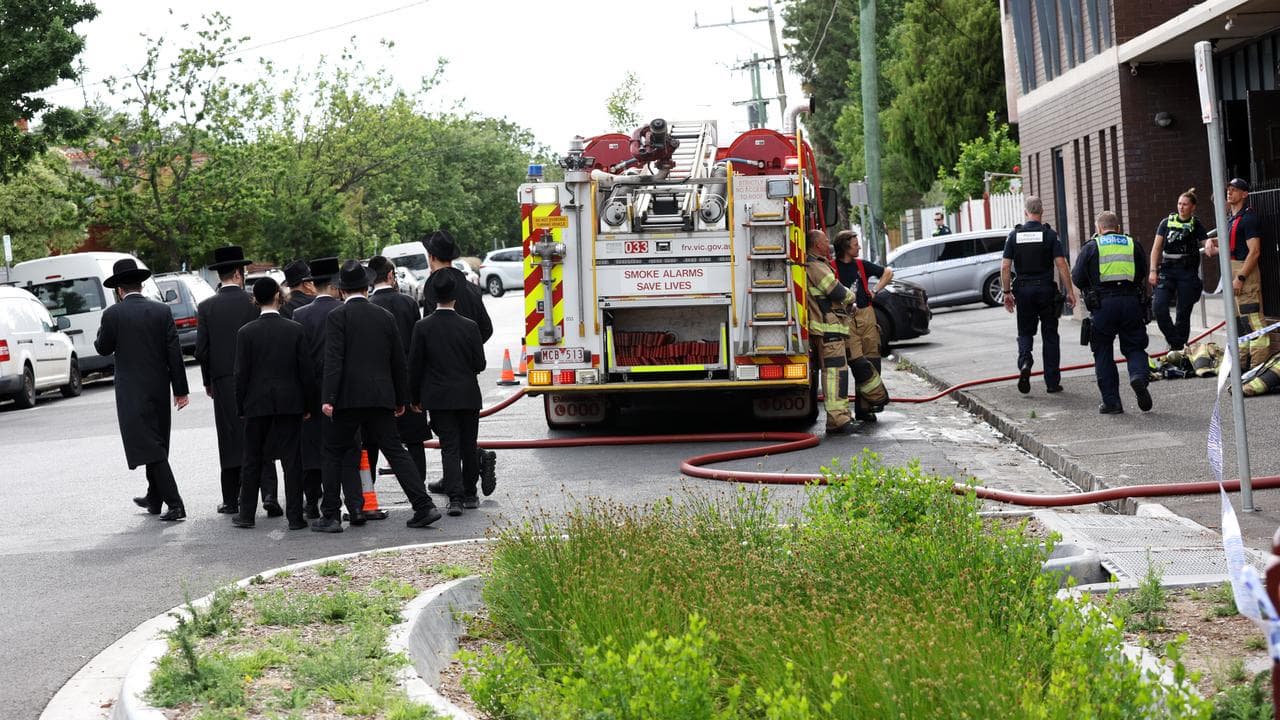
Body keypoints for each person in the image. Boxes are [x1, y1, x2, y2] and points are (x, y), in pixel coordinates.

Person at [317, 260, 441, 532]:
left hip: (348, 399)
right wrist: (401, 398)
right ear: (367, 285)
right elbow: (398, 360)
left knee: (334, 452)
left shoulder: (337, 317)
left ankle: (331, 515)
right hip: (380, 396)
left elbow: (334, 359)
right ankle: (423, 505)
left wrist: (329, 397)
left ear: (341, 290)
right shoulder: (384, 317)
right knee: (396, 451)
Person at [95, 258, 190, 521]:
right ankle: (154, 497)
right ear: (141, 284)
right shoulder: (161, 311)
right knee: (156, 441)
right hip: (159, 388)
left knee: (150, 446)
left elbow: (102, 347)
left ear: (119, 290)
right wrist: (180, 390)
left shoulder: (113, 314)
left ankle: (175, 503)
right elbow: (175, 353)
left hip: (131, 391)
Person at [195, 245, 279, 516]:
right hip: (256, 376)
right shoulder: (252, 303)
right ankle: (268, 493)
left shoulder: (206, 307)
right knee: (261, 434)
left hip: (223, 379)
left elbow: (202, 350)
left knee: (229, 438)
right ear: (239, 272)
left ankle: (231, 498)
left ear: (220, 274)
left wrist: (208, 381)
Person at [232, 277, 314, 529]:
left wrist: (241, 406)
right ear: (279, 296)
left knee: (252, 458)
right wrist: (308, 404)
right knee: (292, 460)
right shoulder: (295, 329)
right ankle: (295, 517)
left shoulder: (245, 333)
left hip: (256, 402)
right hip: (290, 401)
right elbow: (306, 371)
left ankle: (246, 513)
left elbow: (240, 374)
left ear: (255, 299)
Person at [421, 230, 498, 496]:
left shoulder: (432, 288)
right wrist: (470, 349)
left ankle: (461, 476)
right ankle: (467, 481)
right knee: (465, 433)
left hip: (439, 375)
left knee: (448, 435)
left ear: (432, 257)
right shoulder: (471, 288)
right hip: (467, 373)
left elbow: (427, 331)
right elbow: (486, 328)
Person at [409, 271, 487, 515]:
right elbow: (480, 364)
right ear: (455, 297)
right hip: (467, 394)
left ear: (433, 298)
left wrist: (415, 398)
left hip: (439, 397)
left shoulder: (422, 327)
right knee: (468, 444)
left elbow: (415, 365)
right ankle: (471, 493)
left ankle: (455, 498)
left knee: (449, 447)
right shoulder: (470, 326)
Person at [1072, 211, 1152, 414]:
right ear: (1118, 228)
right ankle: (1138, 377)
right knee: (1135, 347)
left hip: (1103, 305)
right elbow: (1143, 270)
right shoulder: (1132, 244)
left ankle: (1112, 403)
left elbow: (1078, 278)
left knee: (1103, 352)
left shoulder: (1091, 247)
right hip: (1131, 302)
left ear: (1098, 228)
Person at [366, 255, 431, 491]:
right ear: (391, 275)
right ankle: (418, 488)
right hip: (406, 378)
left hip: (376, 384)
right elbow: (418, 345)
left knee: (371, 442)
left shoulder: (368, 306)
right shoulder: (409, 303)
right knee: (413, 440)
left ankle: (367, 493)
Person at [1001, 196, 1077, 394]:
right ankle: (1052, 382)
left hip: (1023, 291)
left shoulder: (1014, 235)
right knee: (1050, 334)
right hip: (1045, 290)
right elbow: (1061, 264)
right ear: (1041, 212)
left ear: (1026, 212)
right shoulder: (1050, 235)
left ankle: (1025, 362)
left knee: (1025, 332)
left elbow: (1005, 266)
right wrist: (1070, 291)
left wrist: (1007, 292)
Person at [293, 257, 342, 518]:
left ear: (313, 283)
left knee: (310, 449)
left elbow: (298, 358)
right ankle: (345, 500)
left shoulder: (301, 315)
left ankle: (311, 501)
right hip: (341, 390)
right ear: (335, 283)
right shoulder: (343, 310)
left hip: (311, 390)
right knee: (339, 447)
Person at [1206, 177, 1272, 368]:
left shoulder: (1249, 218)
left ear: (1245, 194)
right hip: (1232, 271)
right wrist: (1212, 242)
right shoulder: (1232, 218)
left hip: (1244, 273)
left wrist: (1241, 277)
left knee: (1252, 321)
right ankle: (1240, 367)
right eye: (1228, 189)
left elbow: (1255, 251)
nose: (1229, 192)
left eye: (1234, 189)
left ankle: (1257, 368)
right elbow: (1229, 241)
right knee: (1238, 323)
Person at [832, 230, 890, 422]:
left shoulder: (861, 265)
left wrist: (874, 291)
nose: (859, 247)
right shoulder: (831, 268)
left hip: (867, 316)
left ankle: (866, 408)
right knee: (858, 363)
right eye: (856, 245)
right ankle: (871, 400)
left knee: (872, 360)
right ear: (845, 247)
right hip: (846, 319)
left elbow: (887, 273)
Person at [805, 229, 857, 435]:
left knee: (835, 374)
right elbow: (835, 291)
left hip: (827, 330)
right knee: (835, 374)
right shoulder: (816, 266)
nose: (830, 244)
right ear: (817, 245)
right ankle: (838, 419)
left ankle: (838, 417)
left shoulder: (816, 264)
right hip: (828, 331)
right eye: (826, 241)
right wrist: (851, 296)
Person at [1148, 188, 1209, 352]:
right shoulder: (1166, 222)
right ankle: (1177, 344)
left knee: (1183, 313)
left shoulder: (1196, 224)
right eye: (1179, 204)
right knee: (1159, 307)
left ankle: (1178, 352)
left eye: (1185, 204)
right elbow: (1156, 249)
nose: (1181, 207)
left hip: (1187, 272)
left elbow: (1206, 244)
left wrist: (1213, 245)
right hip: (1167, 270)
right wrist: (1153, 270)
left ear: (1193, 207)